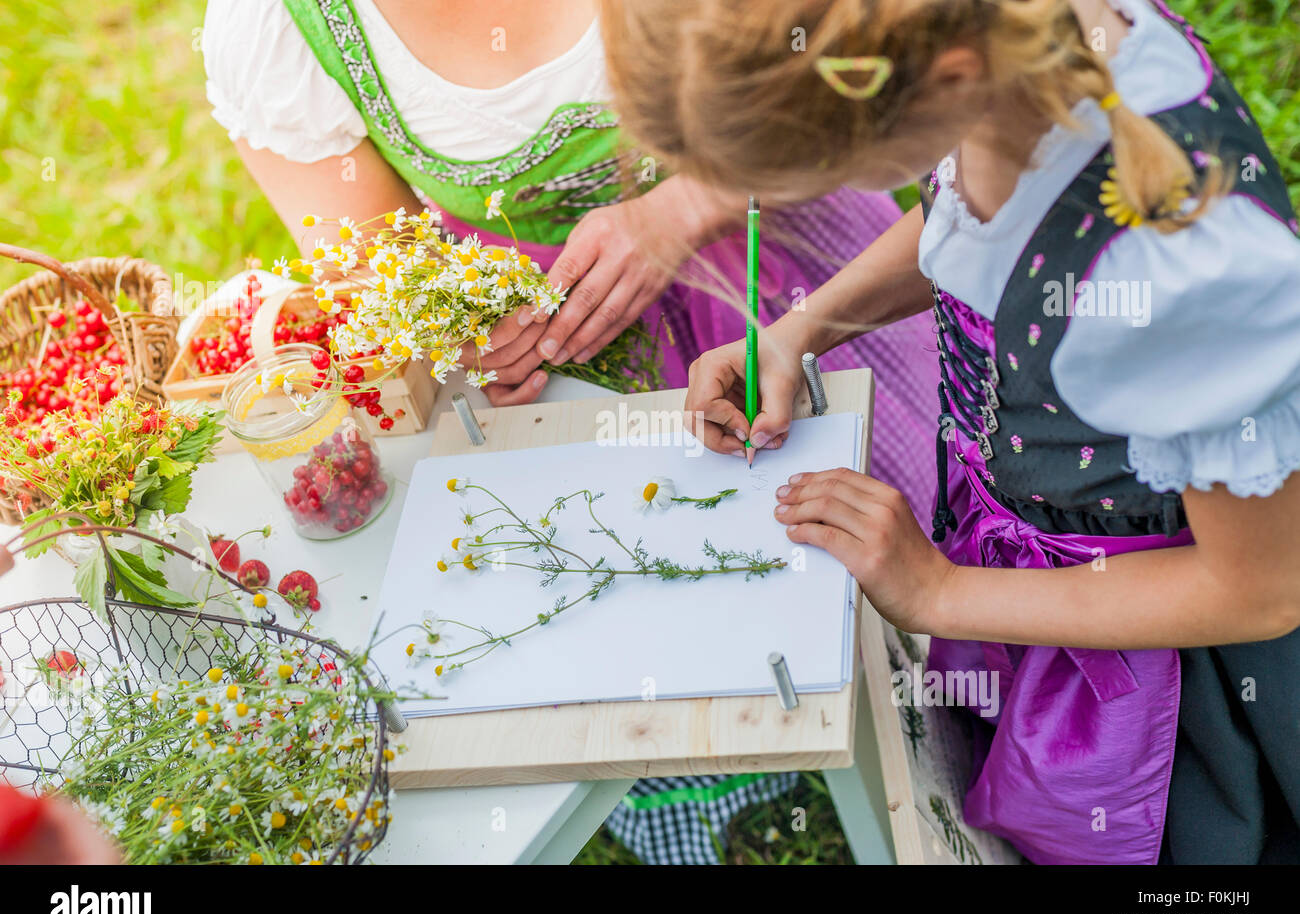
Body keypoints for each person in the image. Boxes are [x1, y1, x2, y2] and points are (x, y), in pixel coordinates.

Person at [203, 0, 939, 864]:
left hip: (774, 248)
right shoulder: (279, 27)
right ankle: (716, 738)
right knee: (628, 597)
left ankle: (921, 693)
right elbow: (378, 261)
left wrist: (683, 205)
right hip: (562, 362)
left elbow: (858, 52)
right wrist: (464, 324)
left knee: (893, 550)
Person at [604, 0, 1300, 863]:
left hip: (1168, 665)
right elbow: (968, 222)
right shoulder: (997, 47)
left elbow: (1262, 588)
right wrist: (800, 329)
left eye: (833, 170)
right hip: (1034, 577)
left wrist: (938, 594)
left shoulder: (1184, 277)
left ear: (949, 83)